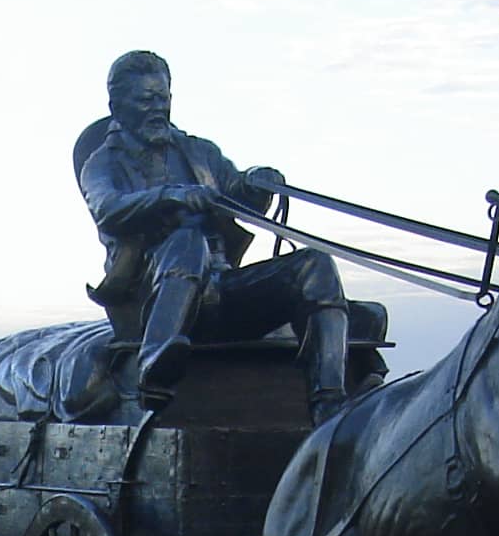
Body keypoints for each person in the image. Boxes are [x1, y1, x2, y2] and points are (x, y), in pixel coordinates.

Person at [78, 49, 347, 422]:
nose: (158, 107)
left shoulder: (199, 152)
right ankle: (156, 361)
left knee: (316, 264)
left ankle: (330, 400)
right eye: (146, 99)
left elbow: (239, 195)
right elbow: (107, 208)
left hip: (222, 292)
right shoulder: (102, 162)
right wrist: (171, 195)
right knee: (186, 240)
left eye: (163, 97)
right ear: (118, 106)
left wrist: (259, 182)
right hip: (151, 304)